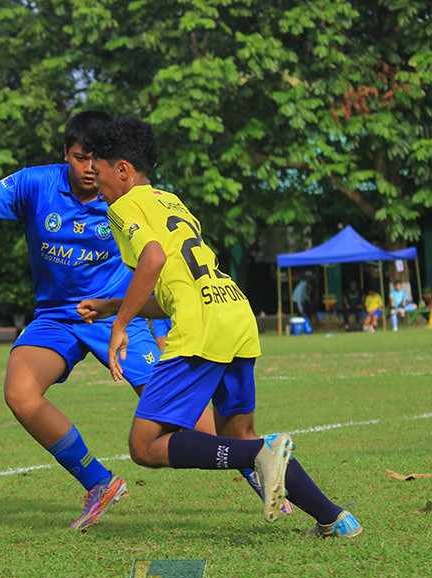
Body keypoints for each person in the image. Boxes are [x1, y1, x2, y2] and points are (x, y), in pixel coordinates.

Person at [0, 111, 226, 531]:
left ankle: (257, 465)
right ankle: (99, 482)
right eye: (79, 157)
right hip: (56, 317)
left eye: (97, 159)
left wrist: (159, 323)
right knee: (19, 392)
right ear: (65, 155)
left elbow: (162, 259)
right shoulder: (35, 183)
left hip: (114, 314)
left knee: (187, 415)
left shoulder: (126, 197)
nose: (89, 168)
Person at [78, 115, 359, 538]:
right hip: (232, 310)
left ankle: (265, 453)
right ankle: (335, 517)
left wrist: (119, 325)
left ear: (122, 170)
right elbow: (175, 287)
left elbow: (152, 260)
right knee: (239, 434)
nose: (94, 183)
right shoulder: (170, 200)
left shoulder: (123, 206)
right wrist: (117, 305)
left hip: (201, 326)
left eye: (98, 173)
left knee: (144, 446)